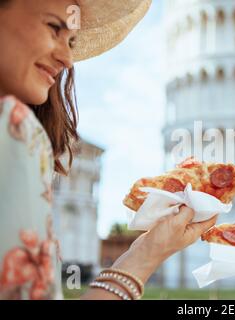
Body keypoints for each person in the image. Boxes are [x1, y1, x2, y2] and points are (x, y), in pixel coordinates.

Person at [0, 0, 217, 300]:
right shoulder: (14, 127)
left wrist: (146, 251)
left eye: (71, 42)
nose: (67, 58)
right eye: (53, 27)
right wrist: (146, 256)